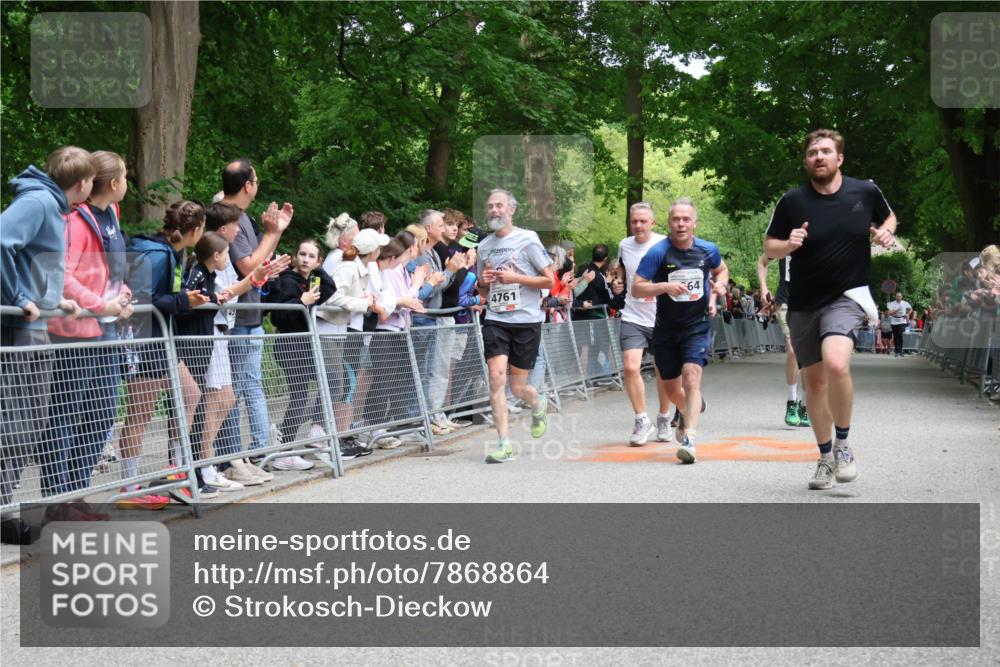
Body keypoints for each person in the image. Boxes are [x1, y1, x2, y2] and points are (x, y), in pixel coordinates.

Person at [764, 128, 896, 490]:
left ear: (839, 158)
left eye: (825, 151)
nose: (818, 157)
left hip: (847, 296)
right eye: (812, 153)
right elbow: (770, 248)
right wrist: (788, 244)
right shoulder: (792, 201)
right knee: (815, 382)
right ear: (806, 161)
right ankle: (824, 457)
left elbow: (890, 218)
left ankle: (843, 445)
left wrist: (885, 232)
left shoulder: (864, 191)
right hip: (804, 302)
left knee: (837, 363)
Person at [0, 146, 90, 542]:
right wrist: (19, 299)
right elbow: (2, 242)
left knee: (27, 423)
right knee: (18, 423)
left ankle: (3, 509)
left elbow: (31, 262)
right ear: (83, 183)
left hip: (35, 326)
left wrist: (55, 300)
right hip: (21, 329)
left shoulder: (52, 205)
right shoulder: (38, 202)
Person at [40, 151, 132, 520]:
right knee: (67, 413)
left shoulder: (113, 215)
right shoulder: (75, 220)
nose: (128, 182)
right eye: (125, 176)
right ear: (112, 183)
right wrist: (101, 305)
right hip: (76, 331)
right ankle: (58, 501)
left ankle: (78, 494)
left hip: (106, 328)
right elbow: (64, 276)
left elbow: (114, 269)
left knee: (102, 411)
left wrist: (123, 294)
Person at [120, 200, 211, 508]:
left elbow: (167, 295)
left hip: (163, 341)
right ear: (196, 230)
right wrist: (185, 302)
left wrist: (184, 299)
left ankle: (175, 471)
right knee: (139, 415)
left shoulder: (174, 251)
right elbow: (146, 300)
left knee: (190, 394)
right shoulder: (159, 254)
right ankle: (129, 487)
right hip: (146, 342)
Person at [633, 197, 728, 464]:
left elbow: (722, 270)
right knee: (673, 389)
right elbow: (637, 287)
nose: (681, 223)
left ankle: (690, 438)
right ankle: (689, 407)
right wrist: (664, 287)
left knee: (691, 377)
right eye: (676, 219)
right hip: (666, 327)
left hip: (697, 325)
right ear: (669, 223)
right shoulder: (658, 252)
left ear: (694, 223)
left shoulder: (708, 250)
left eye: (686, 219)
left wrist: (720, 285)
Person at [220, 159, 293, 460]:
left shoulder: (245, 219)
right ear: (248, 185)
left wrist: (274, 235)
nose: (257, 186)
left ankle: (257, 452)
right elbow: (248, 265)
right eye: (257, 181)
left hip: (252, 312)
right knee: (233, 391)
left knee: (249, 385)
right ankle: (234, 458)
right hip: (234, 316)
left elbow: (257, 264)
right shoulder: (227, 217)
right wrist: (272, 234)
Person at [476, 189, 554, 464]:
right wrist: (484, 281)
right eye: (490, 206)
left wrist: (516, 278)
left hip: (525, 321)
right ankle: (503, 443)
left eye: (499, 206)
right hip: (496, 319)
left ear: (511, 210)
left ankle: (537, 403)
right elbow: (483, 292)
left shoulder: (528, 239)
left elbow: (549, 281)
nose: (494, 210)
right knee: (496, 378)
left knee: (519, 388)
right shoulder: (483, 246)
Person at [615, 202, 675, 445]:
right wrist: (618, 283)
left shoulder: (665, 244)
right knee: (630, 367)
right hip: (633, 316)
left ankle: (663, 416)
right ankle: (641, 419)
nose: (638, 226)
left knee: (664, 371)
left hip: (662, 316)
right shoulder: (624, 245)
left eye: (642, 221)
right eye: (634, 222)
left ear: (653, 222)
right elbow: (623, 271)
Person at [758, 253, 810, 428]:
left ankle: (805, 405)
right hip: (787, 301)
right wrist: (764, 288)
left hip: (813, 303)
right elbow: (763, 261)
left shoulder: (821, 235)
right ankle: (792, 401)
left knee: (810, 357)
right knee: (793, 351)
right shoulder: (786, 238)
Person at [887, 291, 912, 358]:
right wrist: (897, 310)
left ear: (902, 297)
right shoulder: (892, 303)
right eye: (897, 296)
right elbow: (889, 313)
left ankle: (900, 350)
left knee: (900, 334)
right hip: (894, 321)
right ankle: (896, 350)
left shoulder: (905, 303)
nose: (898, 297)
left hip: (902, 321)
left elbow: (910, 309)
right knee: (895, 336)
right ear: (895, 297)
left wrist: (908, 314)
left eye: (900, 296)